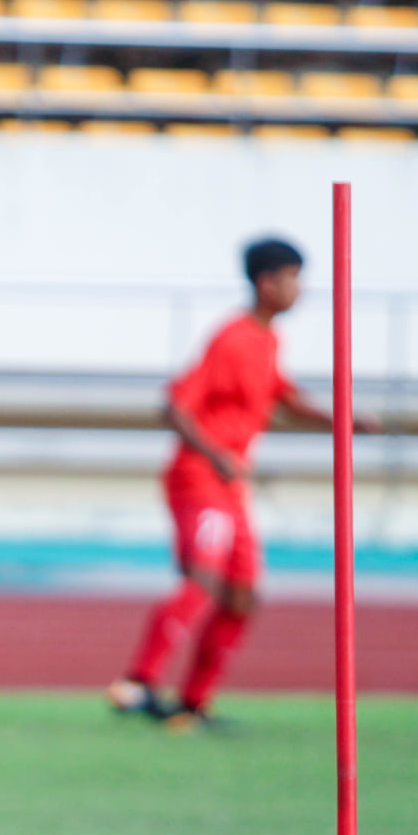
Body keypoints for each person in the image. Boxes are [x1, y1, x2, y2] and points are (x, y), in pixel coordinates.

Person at [109, 238, 374, 731]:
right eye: (293, 278)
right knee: (203, 579)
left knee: (243, 595)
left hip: (231, 487)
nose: (301, 290)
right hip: (200, 478)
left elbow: (285, 399)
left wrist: (343, 419)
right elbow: (174, 406)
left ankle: (193, 704)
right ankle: (137, 682)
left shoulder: (269, 342)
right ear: (266, 282)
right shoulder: (230, 337)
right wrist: (218, 456)